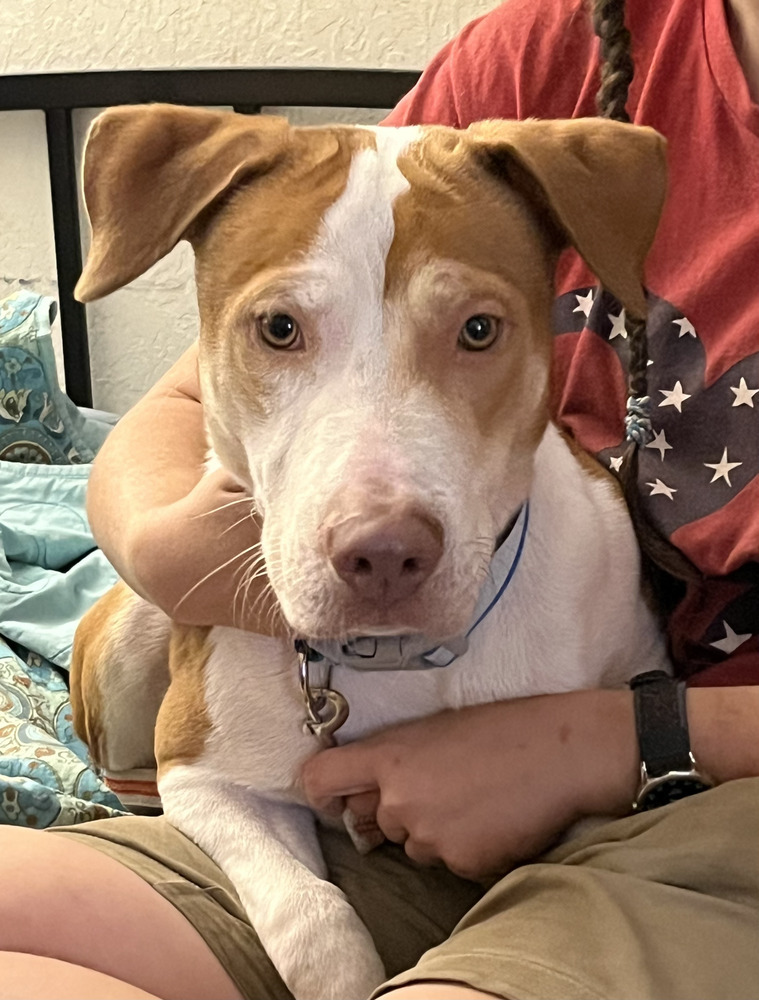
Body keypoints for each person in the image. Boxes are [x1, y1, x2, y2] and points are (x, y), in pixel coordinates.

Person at [1, 0, 758, 997]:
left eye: (477, 333)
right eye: (281, 331)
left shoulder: (592, 578)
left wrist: (616, 739)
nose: (381, 518)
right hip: (330, 815)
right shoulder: (551, 57)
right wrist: (163, 557)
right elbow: (203, 389)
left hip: (681, 810)